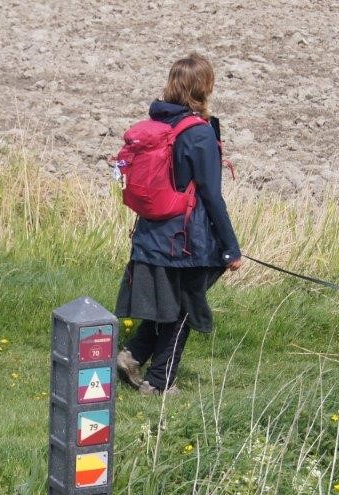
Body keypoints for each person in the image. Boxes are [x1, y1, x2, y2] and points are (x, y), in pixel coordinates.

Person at [115, 53, 243, 396]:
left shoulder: (158, 124)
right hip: (187, 239)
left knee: (169, 306)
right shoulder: (198, 133)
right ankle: (159, 383)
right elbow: (212, 196)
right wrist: (231, 247)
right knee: (186, 307)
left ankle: (133, 354)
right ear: (205, 86)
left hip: (152, 232)